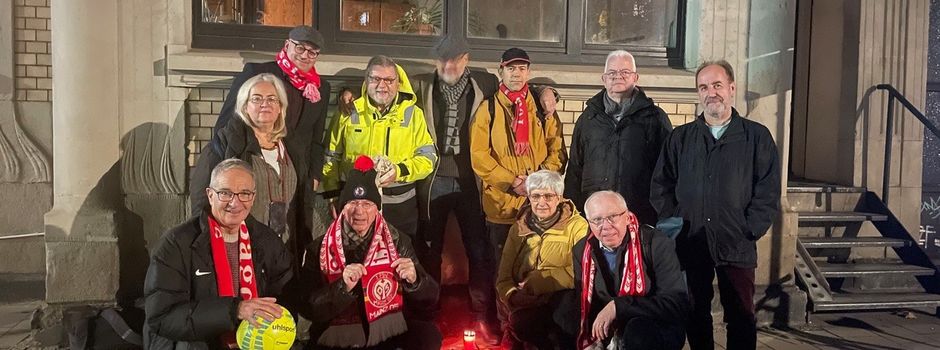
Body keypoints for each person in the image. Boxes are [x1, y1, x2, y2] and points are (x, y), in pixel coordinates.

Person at [650, 60, 781, 350]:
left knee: (741, 315)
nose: (712, 93)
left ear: (732, 89)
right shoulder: (680, 138)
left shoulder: (756, 137)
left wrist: (750, 228)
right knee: (695, 312)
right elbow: (661, 186)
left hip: (736, 241)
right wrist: (675, 223)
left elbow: (768, 189)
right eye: (704, 87)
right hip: (691, 240)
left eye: (717, 85)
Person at [210, 25, 331, 267]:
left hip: (294, 170)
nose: (305, 55)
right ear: (287, 45)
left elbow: (317, 138)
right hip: (254, 161)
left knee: (292, 236)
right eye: (300, 48)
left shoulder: (320, 88)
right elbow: (226, 123)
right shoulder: (259, 72)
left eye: (312, 52)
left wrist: (314, 174)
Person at [295, 156, 441, 350]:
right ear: (341, 209)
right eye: (352, 204)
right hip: (337, 336)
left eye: (367, 204)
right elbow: (308, 308)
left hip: (387, 329)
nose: (359, 212)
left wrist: (416, 281)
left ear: (377, 209)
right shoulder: (319, 247)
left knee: (428, 335)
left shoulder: (397, 240)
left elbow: (430, 300)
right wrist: (342, 287)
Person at [144, 159, 293, 349]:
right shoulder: (176, 243)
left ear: (253, 197)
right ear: (210, 195)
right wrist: (234, 310)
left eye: (244, 194)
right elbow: (162, 317)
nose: (235, 202)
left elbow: (287, 299)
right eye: (225, 193)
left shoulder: (267, 240)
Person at [322, 55, 437, 240]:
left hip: (400, 208)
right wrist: (332, 196)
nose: (382, 85)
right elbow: (331, 156)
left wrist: (398, 171)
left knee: (399, 262)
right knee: (355, 264)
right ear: (366, 81)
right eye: (375, 79)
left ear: (398, 83)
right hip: (355, 206)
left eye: (389, 80)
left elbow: (428, 158)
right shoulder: (348, 110)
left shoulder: (413, 114)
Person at [564, 191, 689, 350]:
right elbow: (586, 302)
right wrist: (591, 338)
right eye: (597, 220)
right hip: (609, 328)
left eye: (613, 217)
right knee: (563, 314)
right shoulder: (582, 250)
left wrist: (619, 307)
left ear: (627, 216)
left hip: (652, 327)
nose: (606, 226)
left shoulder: (655, 243)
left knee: (638, 332)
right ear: (589, 222)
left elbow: (675, 303)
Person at [563, 50, 672, 225]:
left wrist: (663, 213)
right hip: (594, 216)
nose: (617, 77)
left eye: (625, 72)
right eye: (612, 73)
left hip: (639, 214)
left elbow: (667, 170)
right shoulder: (588, 119)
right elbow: (575, 168)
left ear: (635, 77)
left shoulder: (655, 118)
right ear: (603, 78)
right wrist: (571, 212)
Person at [191, 73, 299, 250]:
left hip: (284, 249)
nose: (265, 104)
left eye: (272, 99)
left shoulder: (292, 148)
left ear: (280, 107)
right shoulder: (224, 146)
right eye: (256, 99)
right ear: (245, 106)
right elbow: (201, 202)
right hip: (241, 247)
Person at [495, 170, 588, 349]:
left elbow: (583, 270)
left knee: (566, 319)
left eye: (548, 196)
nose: (541, 203)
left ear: (559, 198)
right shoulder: (518, 228)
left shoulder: (578, 226)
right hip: (528, 298)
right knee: (522, 323)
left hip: (563, 296)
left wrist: (540, 282)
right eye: (535, 196)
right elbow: (503, 276)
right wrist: (512, 296)